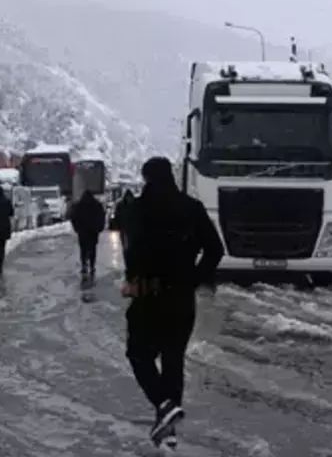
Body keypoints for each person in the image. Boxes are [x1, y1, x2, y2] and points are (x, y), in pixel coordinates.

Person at [121, 157, 224, 447]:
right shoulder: (192, 208)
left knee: (139, 354)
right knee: (173, 358)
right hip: (181, 298)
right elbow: (215, 249)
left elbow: (131, 252)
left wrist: (134, 279)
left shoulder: (137, 209)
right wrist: (194, 277)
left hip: (148, 296)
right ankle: (168, 429)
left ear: (147, 178)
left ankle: (163, 406)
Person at [70, 190, 106, 281]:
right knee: (93, 248)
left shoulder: (79, 206)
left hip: (82, 232)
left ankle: (84, 265)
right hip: (93, 231)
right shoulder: (97, 205)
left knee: (83, 249)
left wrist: (77, 228)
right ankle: (92, 265)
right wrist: (99, 228)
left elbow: (73, 217)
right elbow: (102, 216)